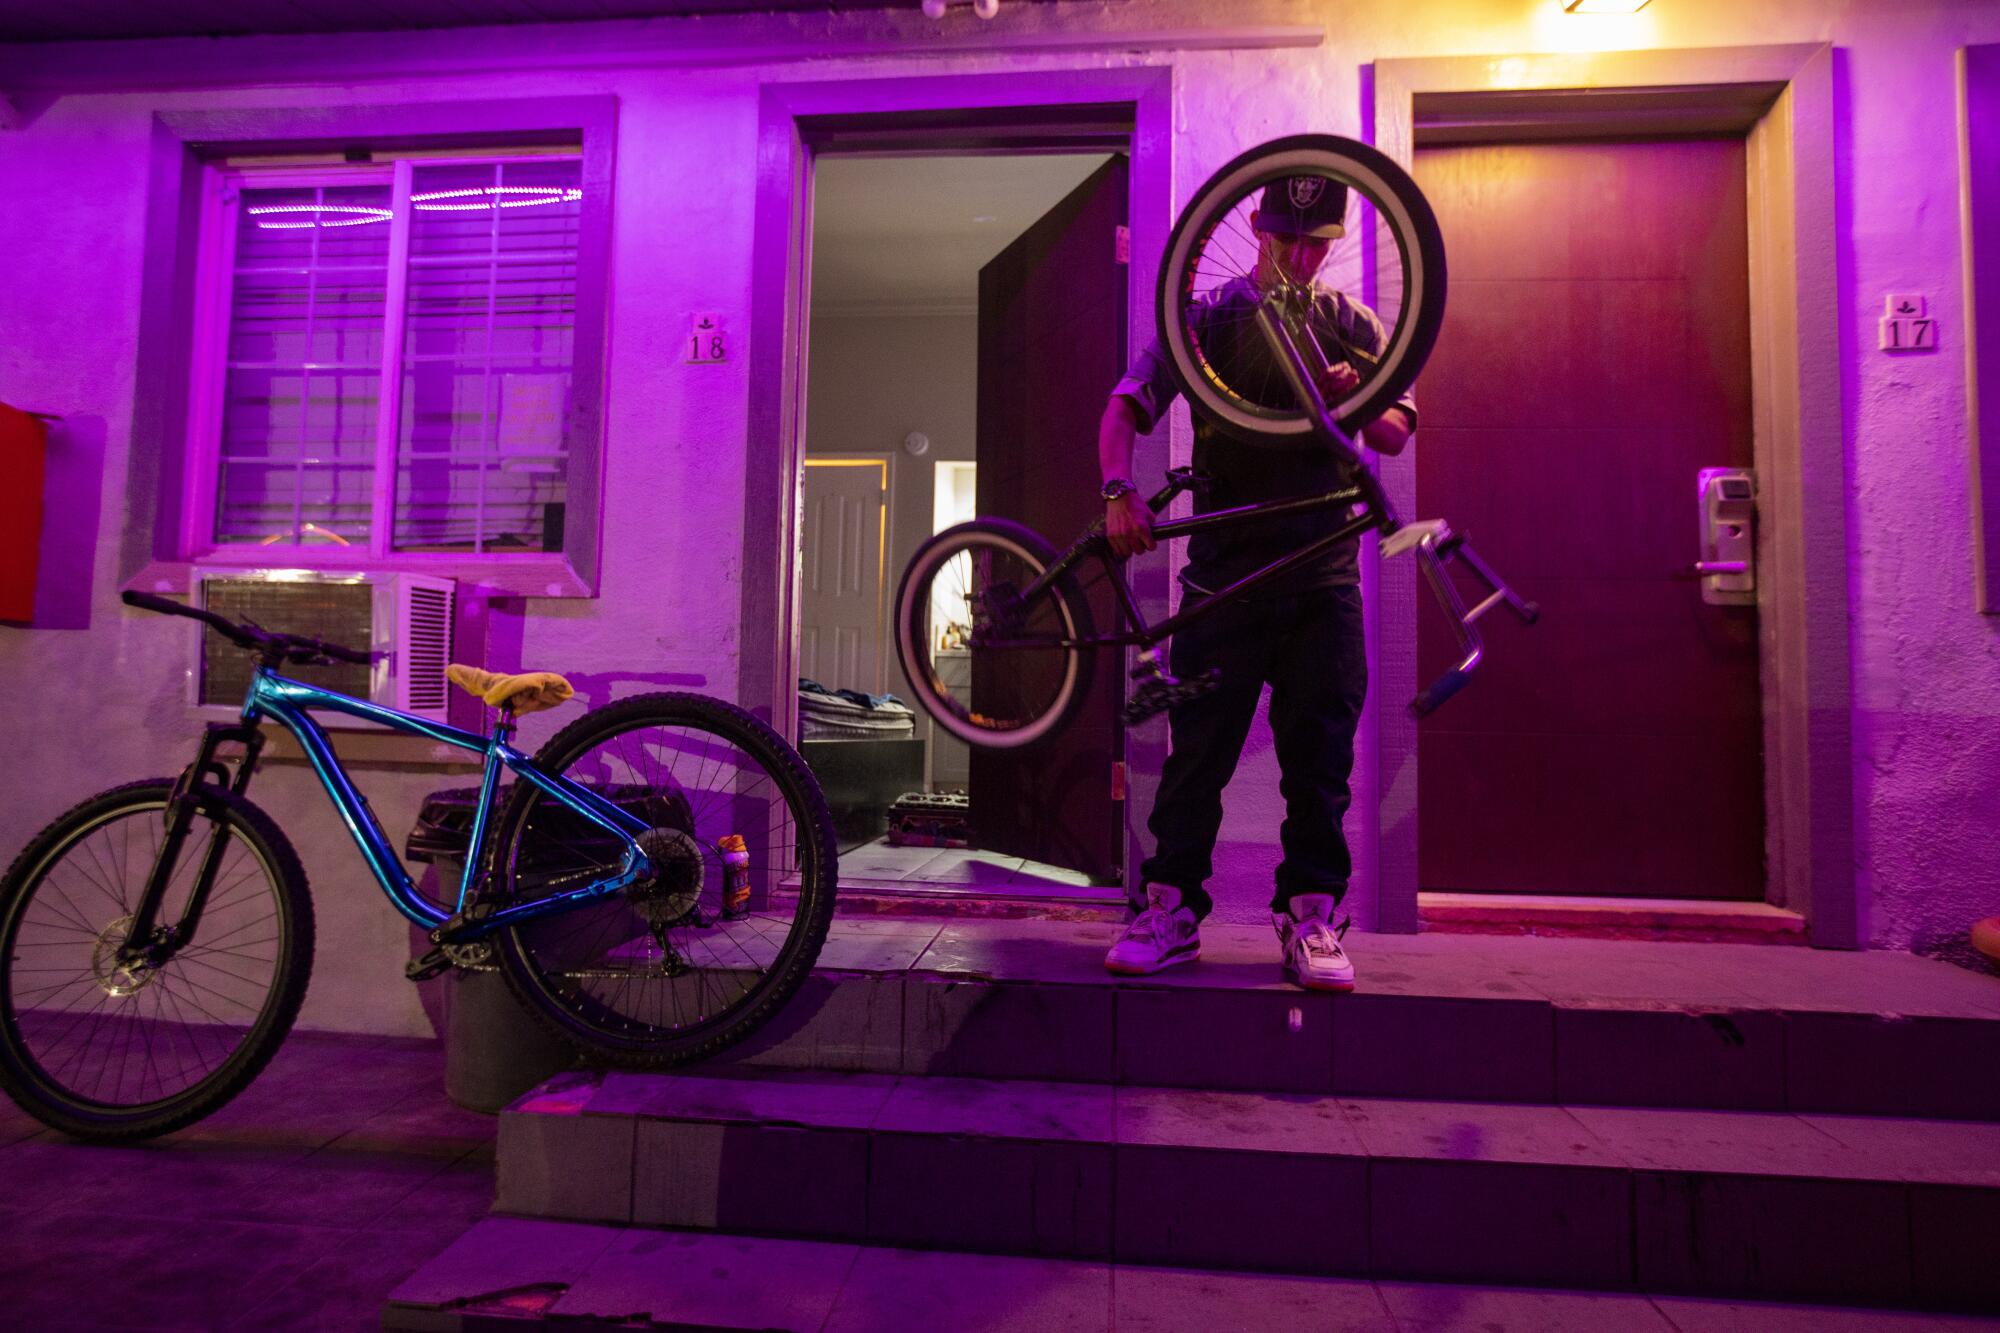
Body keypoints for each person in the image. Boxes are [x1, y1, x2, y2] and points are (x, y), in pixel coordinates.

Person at [1096, 174, 1415, 992]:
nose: (1302, 258)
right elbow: (1126, 405)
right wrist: (1115, 487)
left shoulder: (1355, 325)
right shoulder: (1204, 319)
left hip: (1323, 578)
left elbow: (1398, 431)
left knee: (1321, 760)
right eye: (1287, 240)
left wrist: (1357, 395)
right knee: (1195, 753)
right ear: (1255, 227)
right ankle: (1168, 909)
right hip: (1222, 579)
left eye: (1318, 245)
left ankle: (1311, 917)